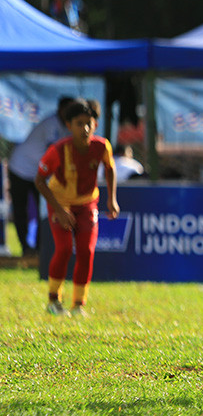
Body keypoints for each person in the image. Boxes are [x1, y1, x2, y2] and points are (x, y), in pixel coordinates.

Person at [35, 100, 119, 316]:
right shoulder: (58, 150)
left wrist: (112, 199)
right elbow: (39, 180)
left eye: (89, 123)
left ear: (96, 125)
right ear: (69, 126)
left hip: (86, 203)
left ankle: (78, 305)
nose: (85, 128)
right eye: (79, 124)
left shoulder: (102, 146)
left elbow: (110, 169)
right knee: (63, 249)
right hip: (60, 203)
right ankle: (54, 301)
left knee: (86, 251)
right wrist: (59, 210)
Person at [8, 97, 82, 257]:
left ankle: (41, 248)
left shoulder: (68, 126)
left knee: (46, 209)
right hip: (20, 168)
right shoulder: (52, 124)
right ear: (61, 110)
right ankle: (26, 249)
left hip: (37, 173)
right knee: (21, 210)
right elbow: (53, 153)